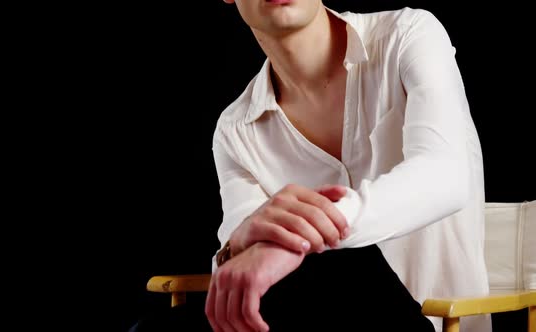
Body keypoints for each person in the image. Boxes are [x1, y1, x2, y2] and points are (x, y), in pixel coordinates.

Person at [204, 1, 490, 332]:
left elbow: (446, 176)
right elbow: (240, 267)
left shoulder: (408, 35)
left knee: (342, 266)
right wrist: (240, 247)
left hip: (435, 323)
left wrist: (300, 241)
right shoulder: (235, 130)